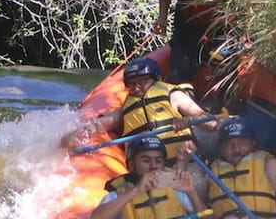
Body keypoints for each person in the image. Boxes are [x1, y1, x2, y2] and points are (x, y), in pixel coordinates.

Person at [66, 57, 219, 166]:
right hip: (145, 172)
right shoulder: (127, 107)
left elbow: (211, 124)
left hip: (181, 164)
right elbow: (101, 124)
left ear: (157, 79)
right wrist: (78, 134)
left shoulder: (174, 96)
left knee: (198, 183)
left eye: (142, 81)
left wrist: (188, 121)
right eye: (132, 84)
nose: (137, 88)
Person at [178, 117, 276, 219]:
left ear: (253, 143)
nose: (236, 149)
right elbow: (184, 202)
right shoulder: (212, 175)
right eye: (229, 144)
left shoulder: (272, 166)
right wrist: (183, 162)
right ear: (221, 148)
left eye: (242, 142)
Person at [90, 136, 208, 219]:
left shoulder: (177, 191)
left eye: (158, 161)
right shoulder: (117, 196)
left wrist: (191, 192)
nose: (153, 166)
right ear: (132, 165)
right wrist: (136, 190)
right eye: (146, 160)